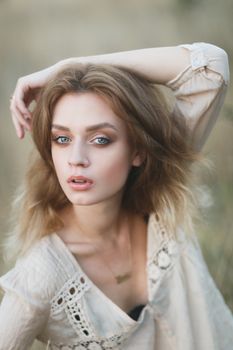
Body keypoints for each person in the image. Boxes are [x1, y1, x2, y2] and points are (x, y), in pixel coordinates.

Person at [0, 42, 233, 350]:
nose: (76, 158)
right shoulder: (42, 275)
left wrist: (69, 63)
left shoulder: (162, 195)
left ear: (137, 150)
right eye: (62, 138)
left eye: (100, 139)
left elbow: (210, 68)